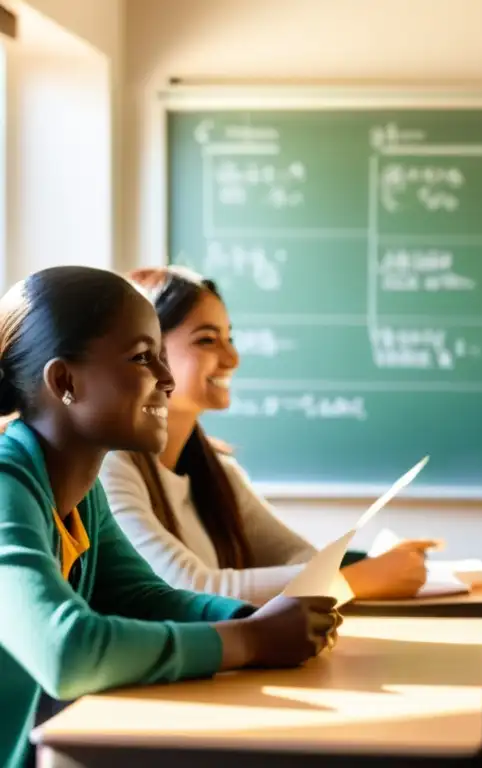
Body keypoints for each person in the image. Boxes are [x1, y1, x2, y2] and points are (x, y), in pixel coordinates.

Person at [0, 266, 340, 765]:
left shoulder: (81, 494)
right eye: (143, 358)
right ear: (64, 381)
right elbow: (67, 651)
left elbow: (143, 596)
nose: (166, 379)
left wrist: (255, 620)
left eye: (163, 356)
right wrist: (250, 640)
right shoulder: (7, 486)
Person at [99, 267, 432, 606]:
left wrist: (361, 567)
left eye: (230, 338)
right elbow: (185, 588)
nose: (232, 358)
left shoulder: (214, 470)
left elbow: (298, 557)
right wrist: (353, 581)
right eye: (207, 340)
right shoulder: (111, 467)